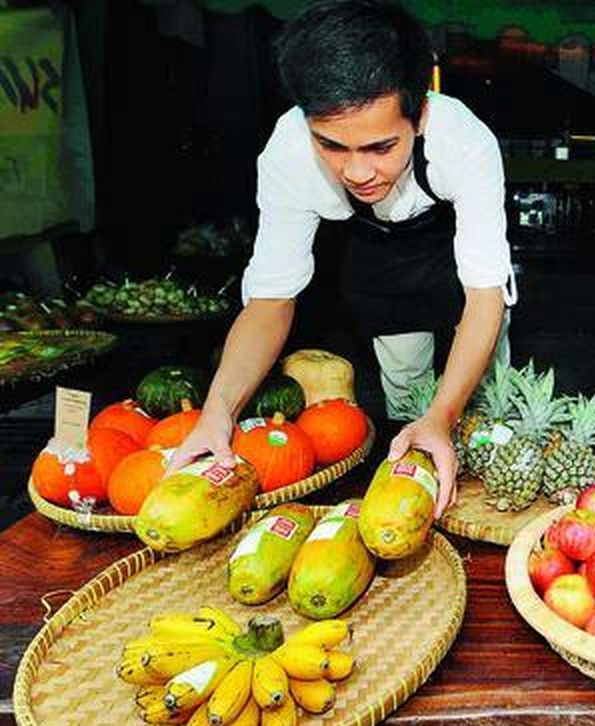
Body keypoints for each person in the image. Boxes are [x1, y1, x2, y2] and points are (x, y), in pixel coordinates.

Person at [170, 0, 516, 518]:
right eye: (331, 145)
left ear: (419, 113)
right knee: (407, 408)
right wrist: (217, 413)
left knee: (487, 407)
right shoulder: (287, 154)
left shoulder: (465, 145)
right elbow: (269, 301)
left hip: (455, 260)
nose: (356, 172)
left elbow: (485, 296)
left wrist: (445, 415)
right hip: (378, 267)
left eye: (380, 147)